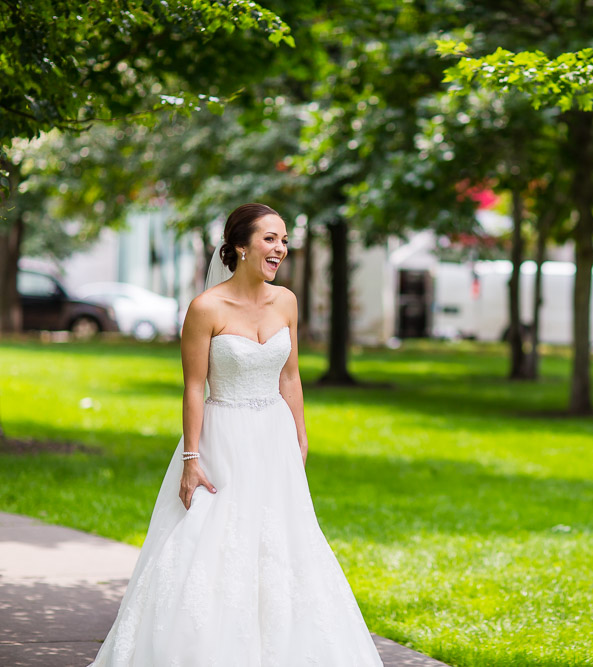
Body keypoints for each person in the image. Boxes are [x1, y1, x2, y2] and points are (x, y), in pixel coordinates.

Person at [90, 204, 383, 666]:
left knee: (282, 542)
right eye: (270, 239)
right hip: (221, 438)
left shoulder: (285, 300)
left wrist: (300, 437)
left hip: (274, 438)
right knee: (211, 542)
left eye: (284, 240)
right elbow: (193, 387)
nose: (280, 249)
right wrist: (191, 459)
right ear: (240, 246)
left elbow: (290, 377)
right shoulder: (206, 308)